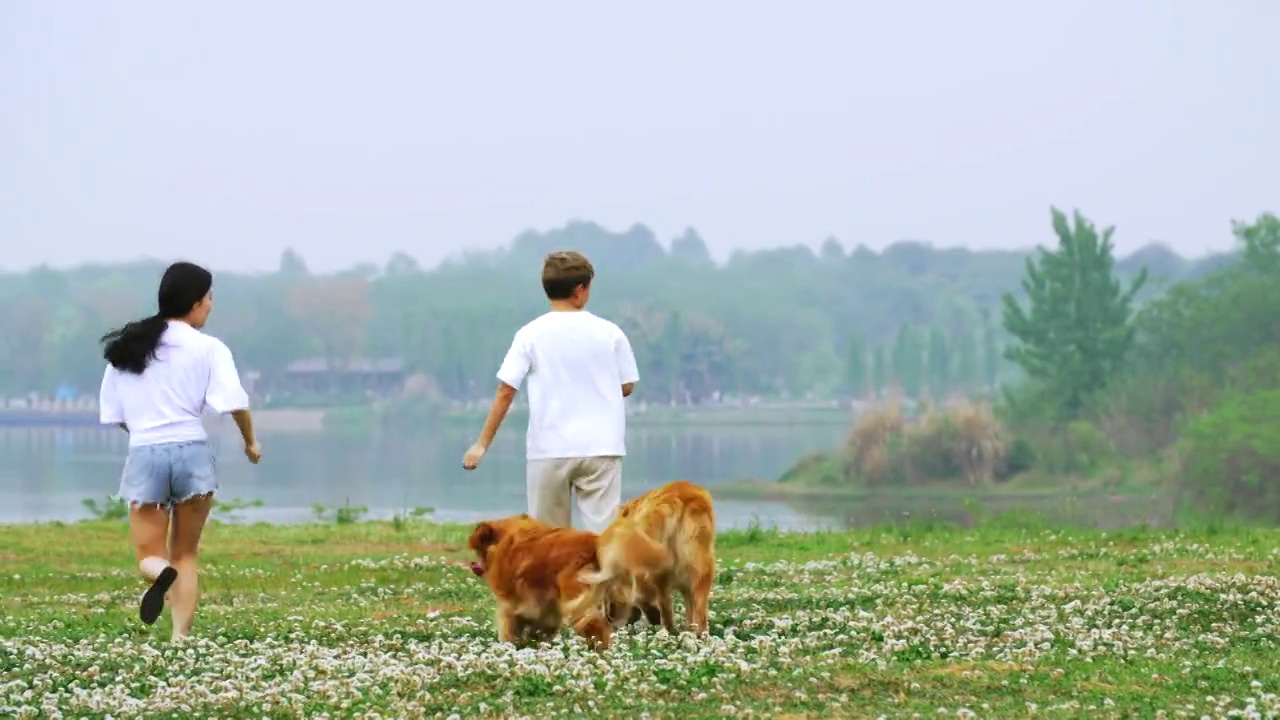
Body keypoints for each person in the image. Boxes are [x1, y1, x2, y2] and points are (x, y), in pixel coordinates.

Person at [97, 261, 261, 640]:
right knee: (186, 553)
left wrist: (145, 431)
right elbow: (235, 403)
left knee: (149, 556)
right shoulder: (210, 349)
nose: (210, 305)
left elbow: (117, 415)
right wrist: (250, 442)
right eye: (209, 298)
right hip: (192, 451)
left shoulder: (129, 347)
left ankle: (159, 574)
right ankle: (180, 639)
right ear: (194, 303)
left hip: (145, 453)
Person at [462, 250, 639, 532]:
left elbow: (506, 391)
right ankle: (604, 577)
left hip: (549, 448)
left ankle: (554, 578)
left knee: (547, 542)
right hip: (601, 447)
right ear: (580, 290)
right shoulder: (611, 333)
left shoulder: (530, 334)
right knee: (605, 540)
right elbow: (627, 385)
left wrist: (481, 444)